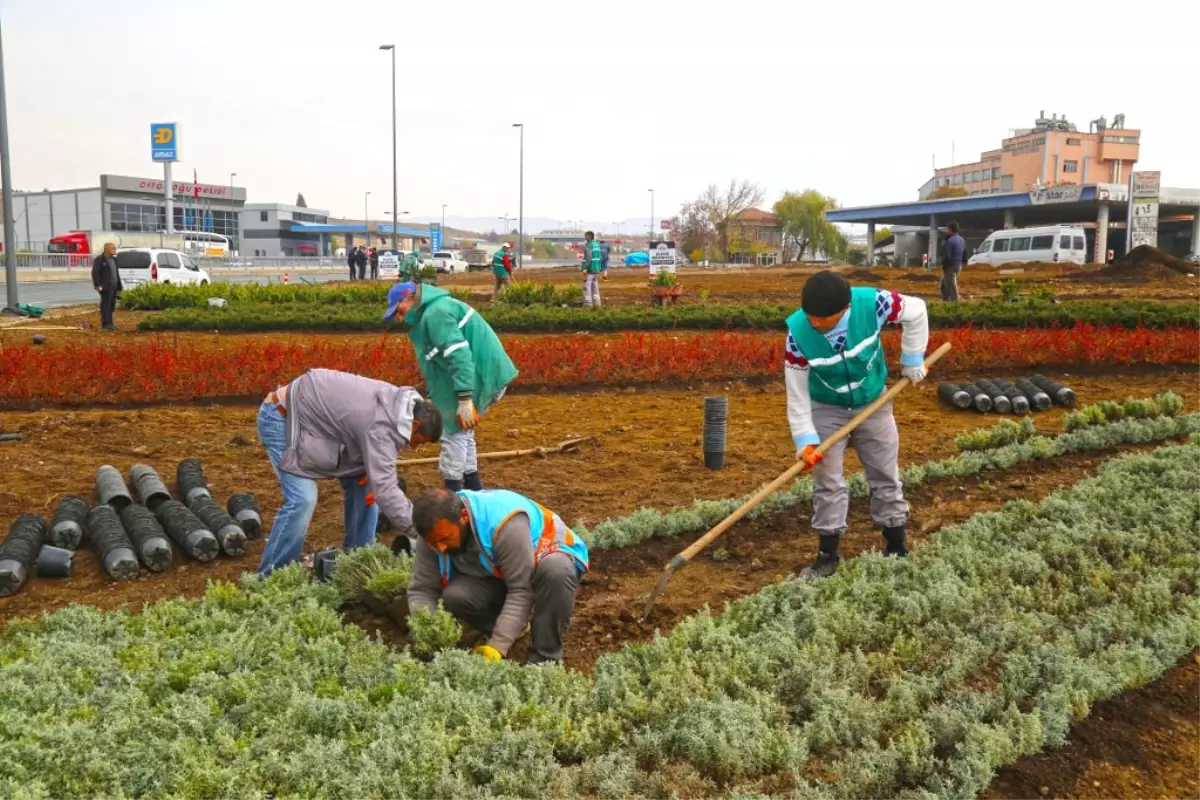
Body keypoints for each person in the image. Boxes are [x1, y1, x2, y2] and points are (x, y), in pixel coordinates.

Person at [784, 270, 929, 580]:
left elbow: (916, 310)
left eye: (825, 319)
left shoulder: (873, 304)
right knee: (826, 479)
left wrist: (913, 357)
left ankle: (896, 543)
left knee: (884, 471)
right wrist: (805, 440)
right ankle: (827, 554)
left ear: (845, 308)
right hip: (826, 407)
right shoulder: (798, 333)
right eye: (811, 317)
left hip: (872, 402)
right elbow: (796, 396)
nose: (816, 324)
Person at [255, 367, 443, 577]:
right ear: (415, 424)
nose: (414, 447)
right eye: (418, 441)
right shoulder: (383, 426)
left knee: (365, 487)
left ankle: (356, 564)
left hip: (317, 422)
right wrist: (422, 532)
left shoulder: (399, 406)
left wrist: (377, 482)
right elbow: (386, 490)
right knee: (303, 499)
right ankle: (270, 578)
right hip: (282, 418)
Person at [406, 487, 589, 664]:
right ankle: (513, 628)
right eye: (433, 543)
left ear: (463, 517)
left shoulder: (503, 524)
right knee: (456, 596)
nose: (440, 548)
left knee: (556, 571)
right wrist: (429, 633)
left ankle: (544, 659)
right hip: (503, 569)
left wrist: (496, 646)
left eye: (445, 539)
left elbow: (521, 590)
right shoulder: (434, 531)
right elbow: (422, 589)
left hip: (550, 554)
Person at [383, 281, 518, 492]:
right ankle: (474, 490)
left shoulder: (435, 314)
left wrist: (464, 399)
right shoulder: (435, 310)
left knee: (453, 431)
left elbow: (460, 356)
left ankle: (452, 496)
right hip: (478, 375)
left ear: (409, 298)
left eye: (399, 311)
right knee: (463, 431)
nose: (399, 319)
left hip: (480, 376)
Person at [91, 241, 122, 331]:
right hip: (105, 287)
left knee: (112, 305)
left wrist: (119, 286)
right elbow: (95, 273)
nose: (115, 250)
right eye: (113, 248)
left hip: (114, 286)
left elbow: (116, 274)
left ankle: (111, 323)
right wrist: (98, 285)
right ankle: (105, 324)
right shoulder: (100, 259)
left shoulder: (114, 260)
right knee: (106, 305)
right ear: (107, 249)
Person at [941, 222, 966, 302]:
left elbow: (947, 256)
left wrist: (944, 266)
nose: (946, 231)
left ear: (950, 230)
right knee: (944, 283)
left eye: (947, 229)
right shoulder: (962, 240)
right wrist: (963, 263)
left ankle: (955, 302)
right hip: (958, 265)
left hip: (950, 266)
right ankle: (945, 300)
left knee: (951, 285)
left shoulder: (950, 241)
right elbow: (965, 252)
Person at [580, 231, 603, 307]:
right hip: (596, 270)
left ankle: (588, 305)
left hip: (590, 270)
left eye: (586, 236)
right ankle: (597, 304)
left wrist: (585, 268)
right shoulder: (596, 245)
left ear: (590, 236)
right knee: (595, 288)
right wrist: (599, 268)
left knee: (587, 288)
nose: (585, 238)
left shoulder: (589, 245)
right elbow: (600, 258)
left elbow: (589, 258)